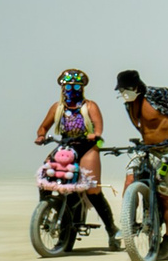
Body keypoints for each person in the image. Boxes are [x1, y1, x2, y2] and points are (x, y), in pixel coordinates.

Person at [116, 69, 168, 247]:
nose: (123, 94)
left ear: (137, 86)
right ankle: (129, 223)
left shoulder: (158, 94)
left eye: (126, 89)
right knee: (130, 181)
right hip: (147, 150)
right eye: (120, 91)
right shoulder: (129, 104)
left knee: (164, 195)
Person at [35, 69, 115, 245]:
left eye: (76, 86)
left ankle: (112, 230)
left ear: (83, 88)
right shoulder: (58, 108)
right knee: (46, 175)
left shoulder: (90, 106)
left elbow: (99, 127)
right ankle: (47, 209)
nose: (72, 89)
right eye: (69, 86)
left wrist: (96, 135)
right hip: (66, 146)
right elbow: (43, 127)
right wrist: (41, 136)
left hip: (89, 147)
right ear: (63, 88)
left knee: (92, 188)